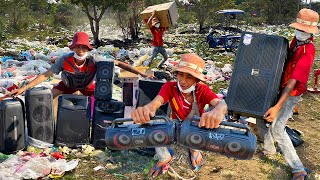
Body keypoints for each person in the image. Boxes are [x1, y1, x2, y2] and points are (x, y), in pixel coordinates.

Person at [131, 53, 227, 178]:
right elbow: (155, 103)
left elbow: (221, 104)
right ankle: (165, 157)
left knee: (195, 140)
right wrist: (147, 109)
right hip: (175, 126)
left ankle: (194, 150)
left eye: (189, 77)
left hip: (195, 127)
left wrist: (218, 110)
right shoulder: (169, 87)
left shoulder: (202, 90)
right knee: (155, 129)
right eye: (181, 74)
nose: (183, 81)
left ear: (196, 80)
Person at [258, 8, 318, 180]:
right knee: (264, 117)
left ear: (310, 32)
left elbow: (292, 83)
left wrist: (277, 106)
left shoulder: (308, 51)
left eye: (304, 30)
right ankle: (269, 150)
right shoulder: (296, 42)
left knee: (278, 128)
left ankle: (298, 168)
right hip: (280, 87)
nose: (300, 32)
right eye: (298, 29)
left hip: (291, 93)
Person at [10, 31, 153, 98]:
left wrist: (141, 73)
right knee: (46, 99)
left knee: (104, 100)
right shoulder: (64, 60)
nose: (81, 50)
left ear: (88, 49)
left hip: (87, 86)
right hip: (67, 85)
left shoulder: (94, 59)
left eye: (84, 47)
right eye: (78, 47)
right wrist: (25, 88)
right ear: (73, 48)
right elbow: (45, 75)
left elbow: (120, 64)